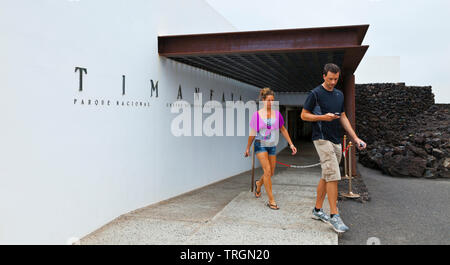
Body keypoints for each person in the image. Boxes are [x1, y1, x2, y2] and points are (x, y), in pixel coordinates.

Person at [301, 63, 367, 233]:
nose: (332, 82)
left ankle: (317, 210)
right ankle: (334, 215)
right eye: (330, 79)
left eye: (335, 79)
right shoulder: (315, 94)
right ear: (324, 76)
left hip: (336, 139)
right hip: (321, 139)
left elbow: (343, 116)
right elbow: (304, 115)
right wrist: (323, 117)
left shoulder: (339, 94)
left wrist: (355, 137)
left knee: (327, 174)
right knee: (333, 176)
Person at [245, 88, 297, 210]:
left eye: (272, 100)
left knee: (271, 172)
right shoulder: (257, 115)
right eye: (268, 100)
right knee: (267, 170)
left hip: (272, 145)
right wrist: (247, 148)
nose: (271, 103)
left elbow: (283, 129)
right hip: (260, 144)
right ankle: (271, 200)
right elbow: (252, 133)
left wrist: (291, 144)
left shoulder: (277, 114)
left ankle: (259, 184)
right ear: (263, 100)